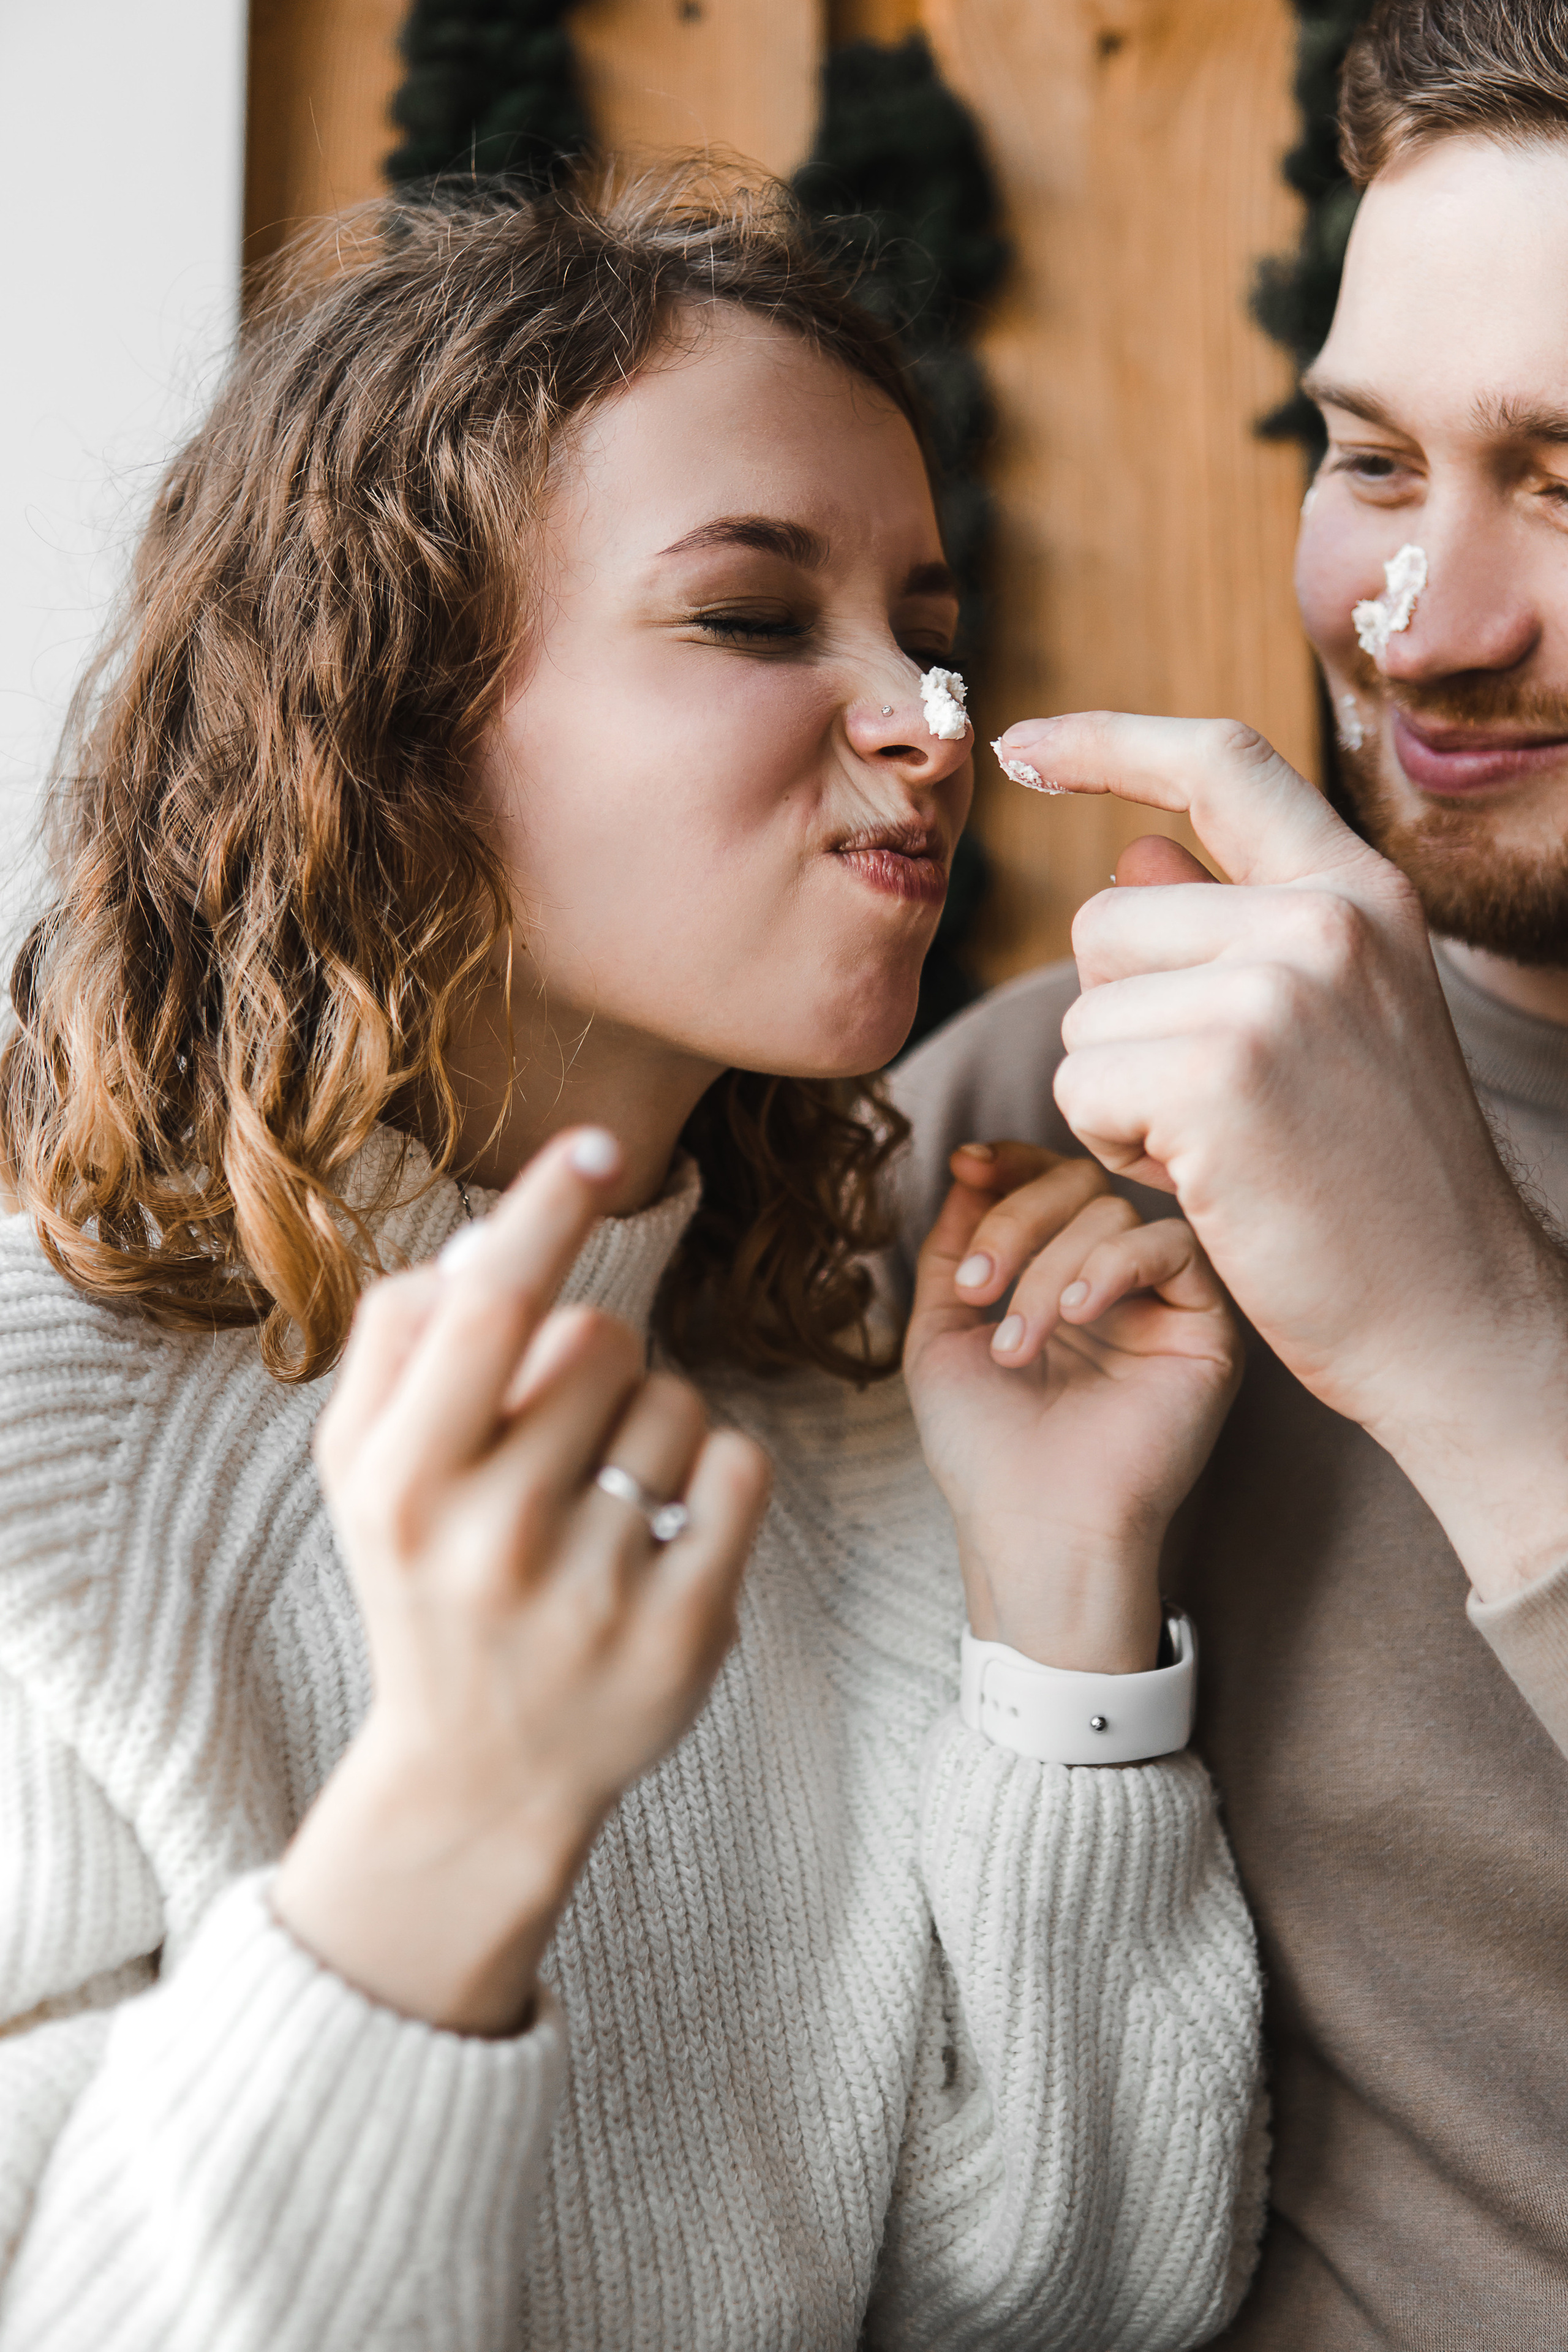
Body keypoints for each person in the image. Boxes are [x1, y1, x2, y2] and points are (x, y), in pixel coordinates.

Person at [0, 173, 1264, 2349]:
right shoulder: (49, 1463)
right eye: (756, 619)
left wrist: (1063, 1599)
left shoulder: (851, 1414)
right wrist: (454, 1820)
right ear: (390, 707)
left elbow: (1071, 2310)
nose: (930, 720)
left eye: (926, 629)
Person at [891, 3, 1568, 2342]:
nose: (1428, 634)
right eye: (1372, 461)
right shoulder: (1045, 1120)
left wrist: (1470, 1336)